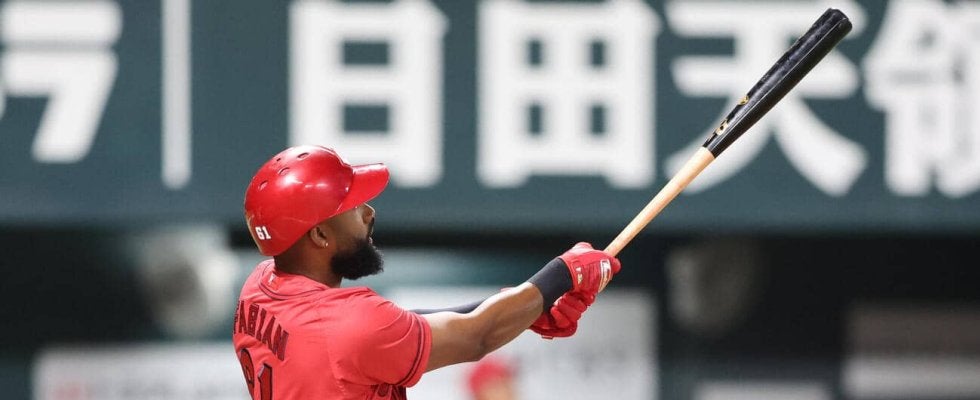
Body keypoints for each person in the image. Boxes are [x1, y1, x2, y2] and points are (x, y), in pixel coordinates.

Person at [232, 145, 620, 400]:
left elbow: (391, 328)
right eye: (352, 208)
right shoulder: (348, 326)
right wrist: (563, 274)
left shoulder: (260, 287)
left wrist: (522, 307)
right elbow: (476, 337)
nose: (368, 213)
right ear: (319, 235)